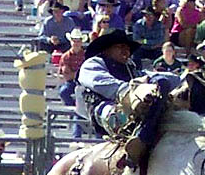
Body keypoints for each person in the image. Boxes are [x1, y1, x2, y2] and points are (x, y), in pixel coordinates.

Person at [77, 29, 180, 164]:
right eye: (120, 47)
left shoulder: (131, 69)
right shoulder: (93, 64)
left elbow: (173, 79)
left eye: (128, 48)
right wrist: (132, 89)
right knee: (120, 117)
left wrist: (153, 80)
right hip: (106, 109)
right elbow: (100, 82)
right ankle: (142, 137)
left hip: (134, 107)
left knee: (162, 83)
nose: (126, 51)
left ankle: (143, 137)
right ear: (107, 49)